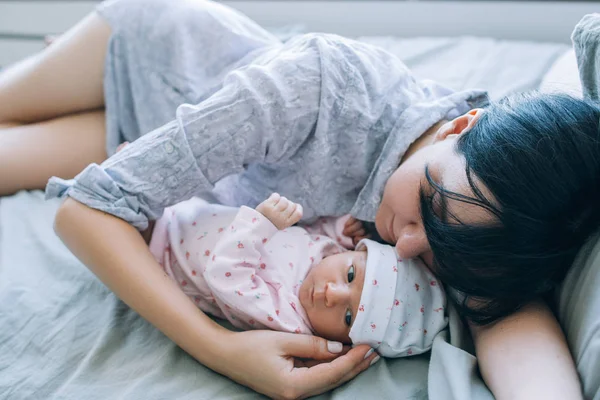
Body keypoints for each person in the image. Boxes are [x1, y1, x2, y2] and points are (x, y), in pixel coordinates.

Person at [0, 0, 588, 398]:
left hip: (168, 151)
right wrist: (220, 349)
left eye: (440, 249)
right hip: (161, 57)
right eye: (426, 212)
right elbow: (85, 212)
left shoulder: (481, 208)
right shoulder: (321, 87)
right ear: (462, 124)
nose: (407, 246)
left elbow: (508, 320)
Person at [146, 191, 447, 354]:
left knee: (111, 200)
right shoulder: (331, 252)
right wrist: (344, 228)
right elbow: (314, 235)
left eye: (348, 317)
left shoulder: (289, 319)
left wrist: (262, 225)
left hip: (161, 250)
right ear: (357, 252)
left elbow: (226, 276)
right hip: (189, 207)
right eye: (351, 276)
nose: (332, 293)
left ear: (345, 343)